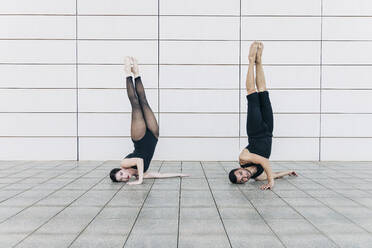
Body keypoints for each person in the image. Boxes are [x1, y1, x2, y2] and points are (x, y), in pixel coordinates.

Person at [228, 42, 297, 190]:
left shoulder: (243, 159)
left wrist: (271, 182)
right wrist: (288, 172)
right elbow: (274, 173)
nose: (244, 176)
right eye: (243, 180)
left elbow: (265, 162)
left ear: (238, 168)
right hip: (268, 131)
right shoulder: (258, 176)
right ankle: (259, 61)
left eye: (240, 174)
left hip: (255, 130)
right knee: (264, 91)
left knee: (252, 92)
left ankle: (251, 60)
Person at [109, 57, 188, 184]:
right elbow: (159, 175)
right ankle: (137, 73)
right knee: (144, 101)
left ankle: (128, 72)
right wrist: (179, 174)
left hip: (139, 138)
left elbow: (139, 160)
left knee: (136, 103)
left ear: (121, 169)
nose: (124, 177)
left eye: (121, 173)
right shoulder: (141, 174)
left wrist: (140, 180)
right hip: (153, 136)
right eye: (122, 179)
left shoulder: (124, 163)